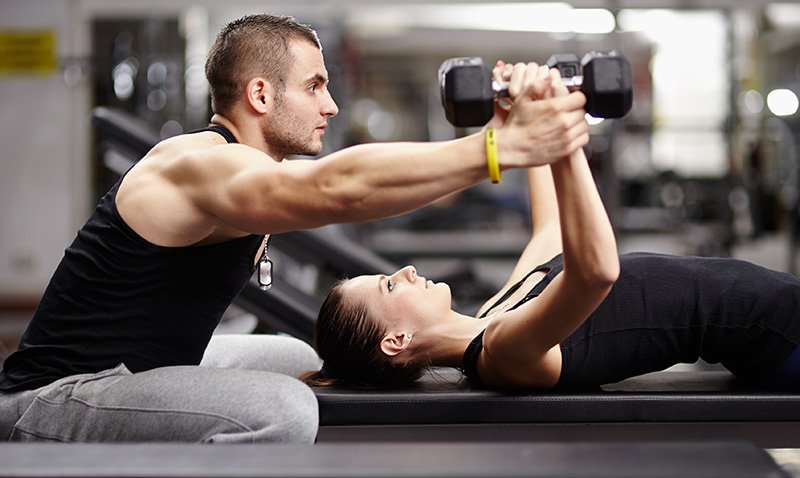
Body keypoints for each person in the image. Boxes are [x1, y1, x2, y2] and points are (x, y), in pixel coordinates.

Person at [0, 14, 590, 443]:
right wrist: (501, 148)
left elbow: (360, 183)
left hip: (139, 369)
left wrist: (509, 140)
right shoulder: (197, 164)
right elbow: (337, 187)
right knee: (285, 409)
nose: (330, 106)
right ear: (260, 93)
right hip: (54, 397)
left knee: (292, 354)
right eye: (315, 86)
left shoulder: (244, 166)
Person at [304, 62, 800, 391]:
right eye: (389, 285)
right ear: (397, 341)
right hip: (782, 336)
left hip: (776, 311)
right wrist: (559, 135)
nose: (407, 270)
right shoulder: (502, 353)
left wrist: (515, 125)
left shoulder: (498, 312)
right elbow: (594, 273)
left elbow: (552, 231)